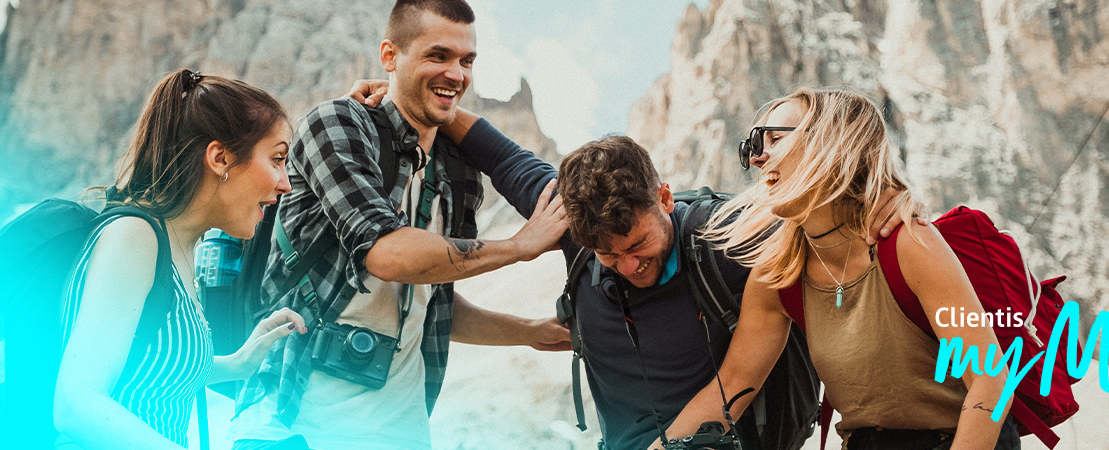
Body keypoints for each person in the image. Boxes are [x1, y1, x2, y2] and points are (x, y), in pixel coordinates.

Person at [340, 77, 911, 448]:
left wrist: (886, 197)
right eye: (606, 256)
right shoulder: (574, 228)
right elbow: (499, 154)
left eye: (639, 247)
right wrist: (410, 96)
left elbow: (824, 214)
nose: (627, 266)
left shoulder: (727, 238)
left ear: (664, 198)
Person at [227, 1, 571, 449]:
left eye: (467, 61)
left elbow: (432, 300)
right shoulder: (338, 125)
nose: (457, 74)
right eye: (438, 56)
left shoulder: (456, 173)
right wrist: (519, 246)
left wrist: (527, 333)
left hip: (403, 433)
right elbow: (387, 254)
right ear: (389, 56)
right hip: (292, 426)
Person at [703, 87, 1020, 450]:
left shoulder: (908, 245)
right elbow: (728, 389)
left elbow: (991, 384)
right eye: (753, 146)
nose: (758, 157)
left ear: (830, 142)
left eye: (774, 139)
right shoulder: (778, 274)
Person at [53, 69, 309, 450]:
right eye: (276, 159)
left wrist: (240, 360)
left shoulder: (178, 247)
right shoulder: (134, 237)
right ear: (220, 158)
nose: (285, 183)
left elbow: (152, 368)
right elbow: (77, 404)